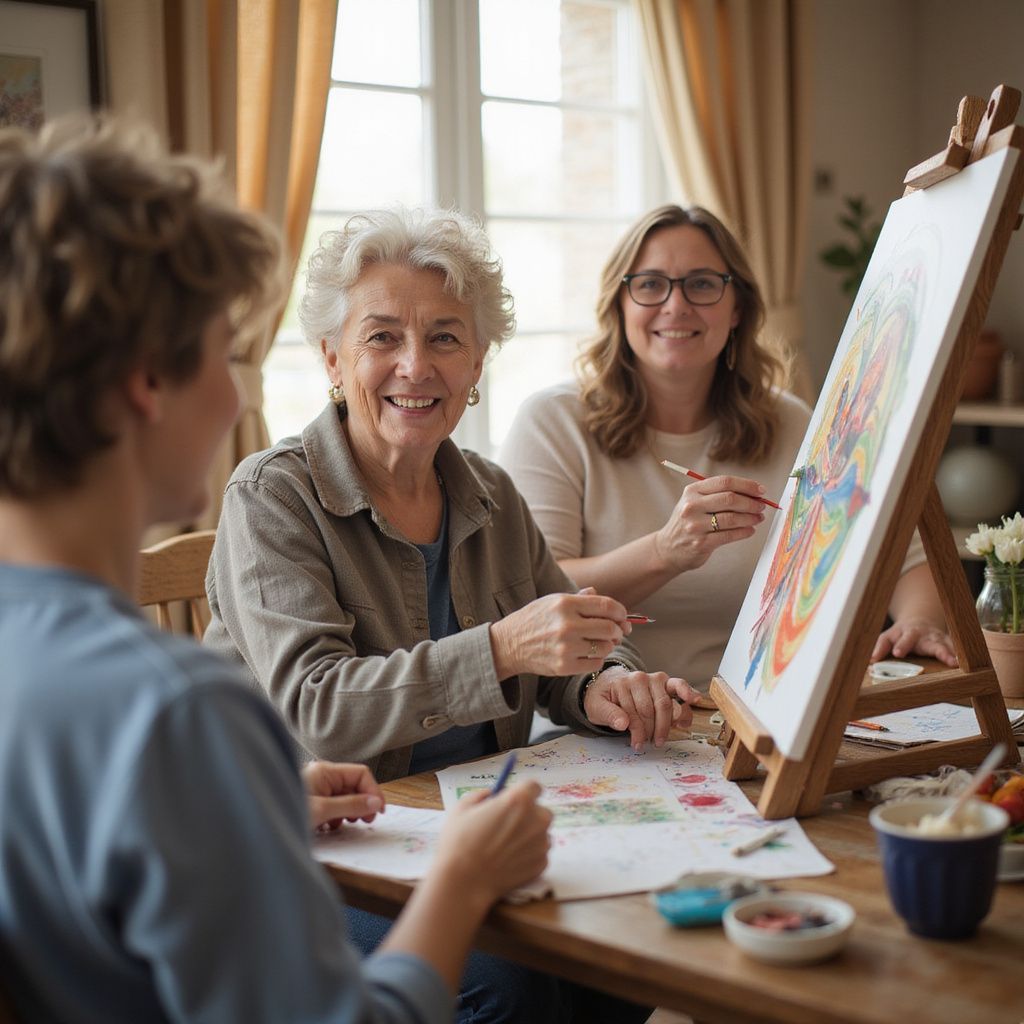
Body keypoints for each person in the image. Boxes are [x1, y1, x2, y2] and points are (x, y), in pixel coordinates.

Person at [0, 116, 553, 1024]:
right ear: (149, 381)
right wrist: (458, 881)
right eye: (225, 353)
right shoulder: (173, 714)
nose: (236, 395)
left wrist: (239, 811)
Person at [203, 206, 696, 1022]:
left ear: (476, 364)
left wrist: (601, 687)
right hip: (319, 846)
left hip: (469, 822)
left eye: (444, 338)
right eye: (382, 337)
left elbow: (556, 655)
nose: (414, 366)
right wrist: (503, 647)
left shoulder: (490, 493)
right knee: (514, 983)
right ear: (332, 357)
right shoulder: (273, 494)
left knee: (629, 943)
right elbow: (321, 711)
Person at [499, 204, 956, 690]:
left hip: (755, 714)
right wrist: (665, 552)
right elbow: (534, 598)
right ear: (620, 304)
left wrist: (920, 622)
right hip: (600, 716)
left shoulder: (789, 421)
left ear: (737, 307)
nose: (676, 305)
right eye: (650, 284)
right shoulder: (552, 422)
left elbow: (899, 549)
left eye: (701, 284)